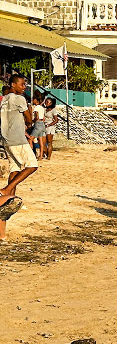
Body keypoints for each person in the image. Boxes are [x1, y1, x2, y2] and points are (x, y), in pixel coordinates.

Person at [0, 75, 38, 241]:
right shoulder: (20, 99)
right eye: (22, 84)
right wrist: (29, 119)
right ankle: (7, 190)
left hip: (6, 140)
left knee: (15, 169)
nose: (24, 86)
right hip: (18, 139)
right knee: (32, 166)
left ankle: (8, 198)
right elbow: (29, 120)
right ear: (13, 84)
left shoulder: (5, 99)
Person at [30, 93, 46, 160]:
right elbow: (44, 117)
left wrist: (33, 120)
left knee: (30, 139)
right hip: (42, 124)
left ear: (36, 100)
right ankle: (41, 156)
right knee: (40, 141)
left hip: (38, 124)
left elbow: (37, 116)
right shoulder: (42, 108)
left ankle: (30, 155)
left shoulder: (36, 108)